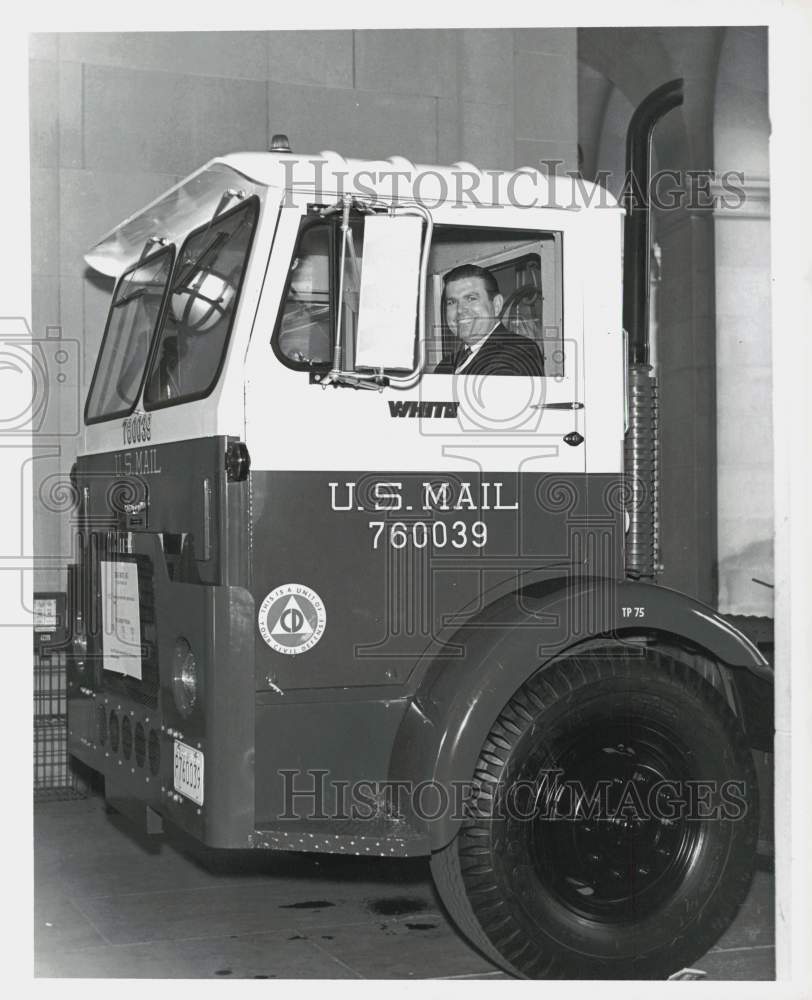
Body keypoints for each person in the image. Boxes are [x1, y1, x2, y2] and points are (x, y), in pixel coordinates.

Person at [434, 264, 545, 376]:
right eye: (451, 302)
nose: (460, 310)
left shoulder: (519, 352)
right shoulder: (445, 366)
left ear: (496, 305)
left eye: (471, 299)